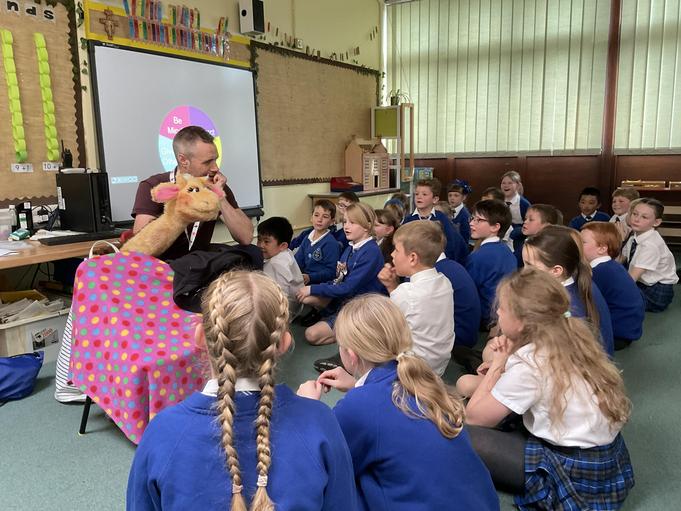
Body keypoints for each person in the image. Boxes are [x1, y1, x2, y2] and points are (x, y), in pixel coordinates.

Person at [127, 271, 357, 510]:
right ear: (284, 343)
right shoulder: (320, 423)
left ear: (200, 336)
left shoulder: (162, 433)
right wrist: (311, 413)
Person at [297, 294, 500, 511]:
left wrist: (307, 409)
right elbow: (387, 415)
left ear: (351, 355)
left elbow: (321, 465)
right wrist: (358, 385)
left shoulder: (359, 405)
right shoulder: (422, 379)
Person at [463, 268, 634, 510]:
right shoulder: (571, 335)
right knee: (497, 408)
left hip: (574, 468)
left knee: (464, 435)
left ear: (522, 323)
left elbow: (473, 417)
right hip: (606, 459)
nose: (498, 312)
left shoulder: (530, 365)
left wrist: (498, 364)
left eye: (503, 308)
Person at [131, 125, 253, 260]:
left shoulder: (214, 185)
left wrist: (220, 197)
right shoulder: (153, 186)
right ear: (183, 160)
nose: (215, 168)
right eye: (207, 162)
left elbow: (246, 237)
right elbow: (141, 247)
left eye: (215, 159)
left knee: (252, 253)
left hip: (198, 263)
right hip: (163, 265)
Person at [296, 202, 385, 346]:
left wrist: (313, 288)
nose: (346, 226)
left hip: (362, 306)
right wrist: (314, 290)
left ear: (367, 226)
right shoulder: (350, 248)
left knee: (311, 335)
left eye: (352, 222)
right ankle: (340, 321)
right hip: (346, 300)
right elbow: (338, 279)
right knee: (305, 298)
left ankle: (357, 330)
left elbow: (348, 287)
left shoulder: (371, 252)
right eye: (345, 222)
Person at [377, 221, 455, 376]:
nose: (392, 255)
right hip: (438, 365)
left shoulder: (406, 293)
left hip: (413, 370)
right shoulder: (444, 281)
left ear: (412, 258)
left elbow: (386, 327)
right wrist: (392, 286)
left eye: (396, 250)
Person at [523, 225, 614, 356]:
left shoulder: (567, 308)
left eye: (529, 265)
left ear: (556, 270)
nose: (523, 271)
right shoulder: (575, 281)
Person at [580, 222, 645, 350]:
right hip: (626, 330)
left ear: (602, 249)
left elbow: (587, 304)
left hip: (615, 335)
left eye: (583, 242)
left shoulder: (601, 272)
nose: (577, 245)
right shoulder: (611, 266)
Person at [465, 199, 517, 328]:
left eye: (478, 220)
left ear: (495, 227)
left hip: (486, 319)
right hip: (503, 315)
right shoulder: (506, 250)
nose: (471, 223)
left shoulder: (479, 257)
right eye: (472, 218)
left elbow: (468, 292)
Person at [623, 197, 679, 312]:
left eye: (644, 217)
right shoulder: (634, 236)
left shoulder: (650, 245)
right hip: (641, 283)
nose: (636, 219)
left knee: (613, 299)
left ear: (656, 222)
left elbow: (631, 279)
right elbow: (620, 261)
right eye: (635, 214)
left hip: (656, 291)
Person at [402, 178, 469, 264]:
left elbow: (454, 243)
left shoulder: (441, 218)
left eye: (424, 194)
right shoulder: (408, 220)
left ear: (435, 199)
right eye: (417, 194)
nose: (419, 197)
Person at [256, 216, 305, 320]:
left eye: (266, 241)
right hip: (295, 304)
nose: (261, 245)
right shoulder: (285, 252)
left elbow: (282, 293)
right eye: (259, 240)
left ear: (283, 245)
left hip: (286, 309)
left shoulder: (278, 263)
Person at [292, 199, 341, 285]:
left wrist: (310, 277)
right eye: (316, 215)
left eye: (325, 217)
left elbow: (331, 272)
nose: (319, 219)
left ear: (332, 222)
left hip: (320, 285)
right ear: (311, 218)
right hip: (303, 280)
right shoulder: (307, 238)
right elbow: (297, 261)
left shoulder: (331, 244)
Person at [500, 171, 531, 266]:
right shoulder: (499, 201)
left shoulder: (524, 204)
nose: (506, 185)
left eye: (510, 183)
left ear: (517, 185)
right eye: (503, 183)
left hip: (518, 236)